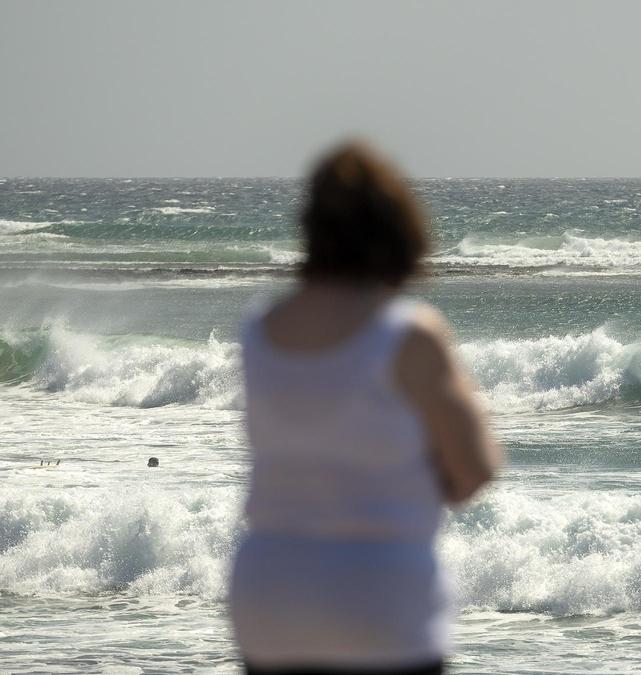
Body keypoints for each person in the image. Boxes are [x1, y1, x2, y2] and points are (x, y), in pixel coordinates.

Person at [230, 142, 502, 675]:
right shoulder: (408, 333)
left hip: (269, 595)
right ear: (398, 229)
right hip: (378, 599)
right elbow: (474, 470)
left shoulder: (259, 329)